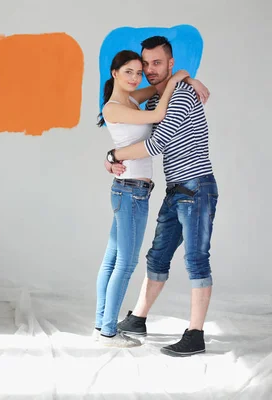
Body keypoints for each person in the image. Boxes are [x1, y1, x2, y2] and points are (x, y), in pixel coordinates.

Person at [107, 36, 218, 357]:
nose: (150, 71)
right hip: (176, 189)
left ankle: (195, 335)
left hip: (197, 187)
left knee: (196, 259)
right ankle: (138, 319)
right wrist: (112, 155)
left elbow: (156, 145)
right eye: (146, 65)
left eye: (158, 63)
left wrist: (114, 154)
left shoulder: (182, 96)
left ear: (170, 63)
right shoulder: (159, 101)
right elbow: (146, 114)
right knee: (157, 256)